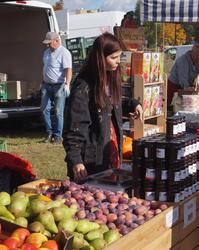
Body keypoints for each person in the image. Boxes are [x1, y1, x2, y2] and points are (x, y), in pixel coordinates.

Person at [63, 33, 143, 182]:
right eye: (113, 57)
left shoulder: (110, 77)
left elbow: (114, 104)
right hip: (92, 160)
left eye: (119, 56)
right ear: (100, 58)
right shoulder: (83, 87)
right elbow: (74, 128)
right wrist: (76, 160)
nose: (118, 61)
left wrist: (133, 104)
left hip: (110, 153)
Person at [41, 31, 72, 143]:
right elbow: (44, 67)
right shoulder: (46, 53)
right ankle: (49, 133)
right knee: (44, 109)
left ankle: (58, 136)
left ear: (57, 41)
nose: (48, 45)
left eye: (49, 43)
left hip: (59, 85)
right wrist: (42, 81)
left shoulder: (64, 53)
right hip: (46, 85)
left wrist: (67, 84)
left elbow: (68, 69)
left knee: (58, 111)